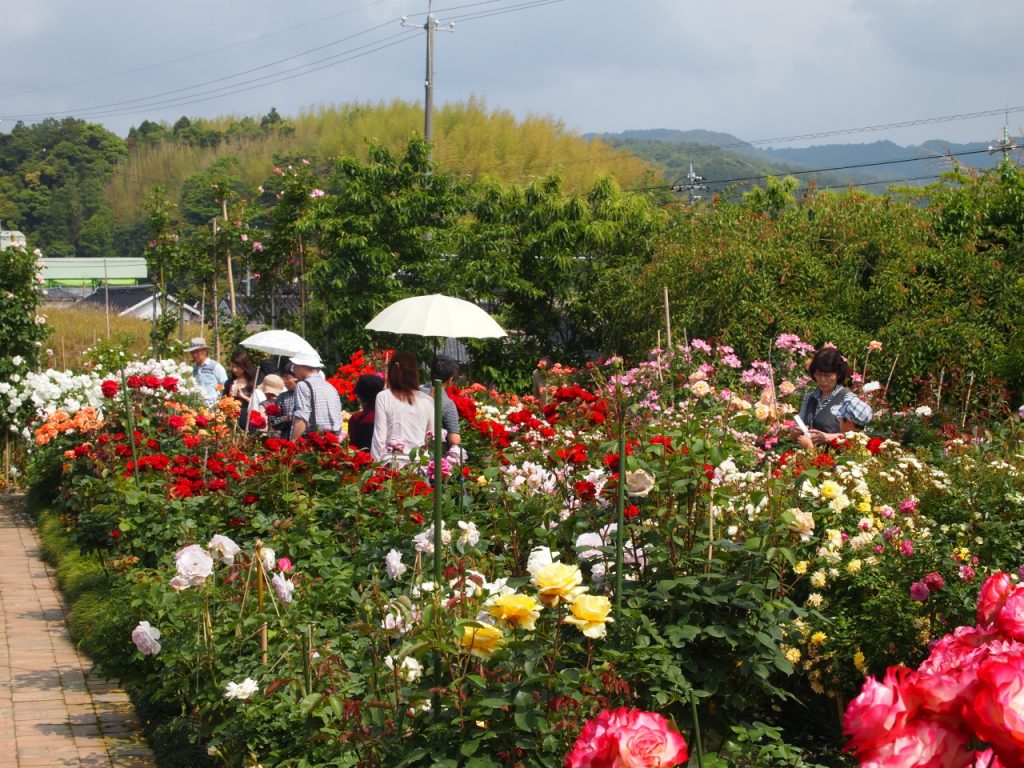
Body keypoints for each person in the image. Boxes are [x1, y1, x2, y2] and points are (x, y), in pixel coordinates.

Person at [794, 346, 872, 449]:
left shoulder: (848, 400)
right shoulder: (809, 399)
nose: (822, 380)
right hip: (810, 460)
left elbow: (861, 437)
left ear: (838, 375)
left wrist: (828, 438)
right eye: (818, 374)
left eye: (827, 375)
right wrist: (795, 434)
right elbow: (801, 432)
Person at [371, 352, 435, 465]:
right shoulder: (427, 400)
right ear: (415, 373)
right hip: (419, 466)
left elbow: (379, 440)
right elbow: (430, 438)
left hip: (391, 466)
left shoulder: (383, 397)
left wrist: (374, 469)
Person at [290, 352, 343, 440]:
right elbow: (338, 417)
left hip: (314, 441)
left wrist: (292, 442)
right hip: (333, 440)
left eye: (295, 366)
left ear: (304, 367)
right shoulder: (331, 387)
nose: (293, 370)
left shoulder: (303, 385)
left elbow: (302, 417)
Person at [420, 356, 461, 449]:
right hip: (433, 457)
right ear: (450, 380)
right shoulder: (447, 403)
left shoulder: (416, 393)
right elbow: (454, 440)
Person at [227, 350, 265, 431]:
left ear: (244, 366)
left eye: (237, 367)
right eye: (233, 366)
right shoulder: (230, 382)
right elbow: (224, 402)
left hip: (248, 418)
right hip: (233, 419)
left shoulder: (253, 382)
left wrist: (243, 396)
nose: (234, 370)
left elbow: (259, 403)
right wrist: (229, 398)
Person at [348, 373, 385, 452]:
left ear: (360, 397)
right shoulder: (389, 415)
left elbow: (352, 448)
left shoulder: (357, 419)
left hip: (364, 461)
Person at [186, 337, 227, 406]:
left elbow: (224, 386)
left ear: (204, 351)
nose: (194, 355)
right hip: (198, 406)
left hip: (213, 407)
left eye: (196, 352)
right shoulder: (194, 369)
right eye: (192, 352)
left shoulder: (215, 367)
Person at [269, 364, 297, 437]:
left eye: (287, 378)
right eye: (283, 378)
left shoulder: (307, 395)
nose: (284, 382)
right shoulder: (282, 397)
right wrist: (285, 419)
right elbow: (273, 421)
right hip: (285, 439)